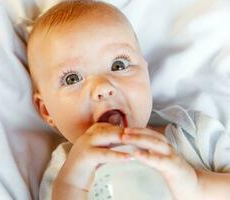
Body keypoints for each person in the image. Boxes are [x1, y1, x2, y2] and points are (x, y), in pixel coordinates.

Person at [27, 0, 230, 199]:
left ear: (146, 73)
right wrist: (71, 188)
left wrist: (197, 186)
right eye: (72, 79)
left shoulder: (191, 134)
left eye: (119, 65)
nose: (103, 87)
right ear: (46, 111)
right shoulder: (67, 172)